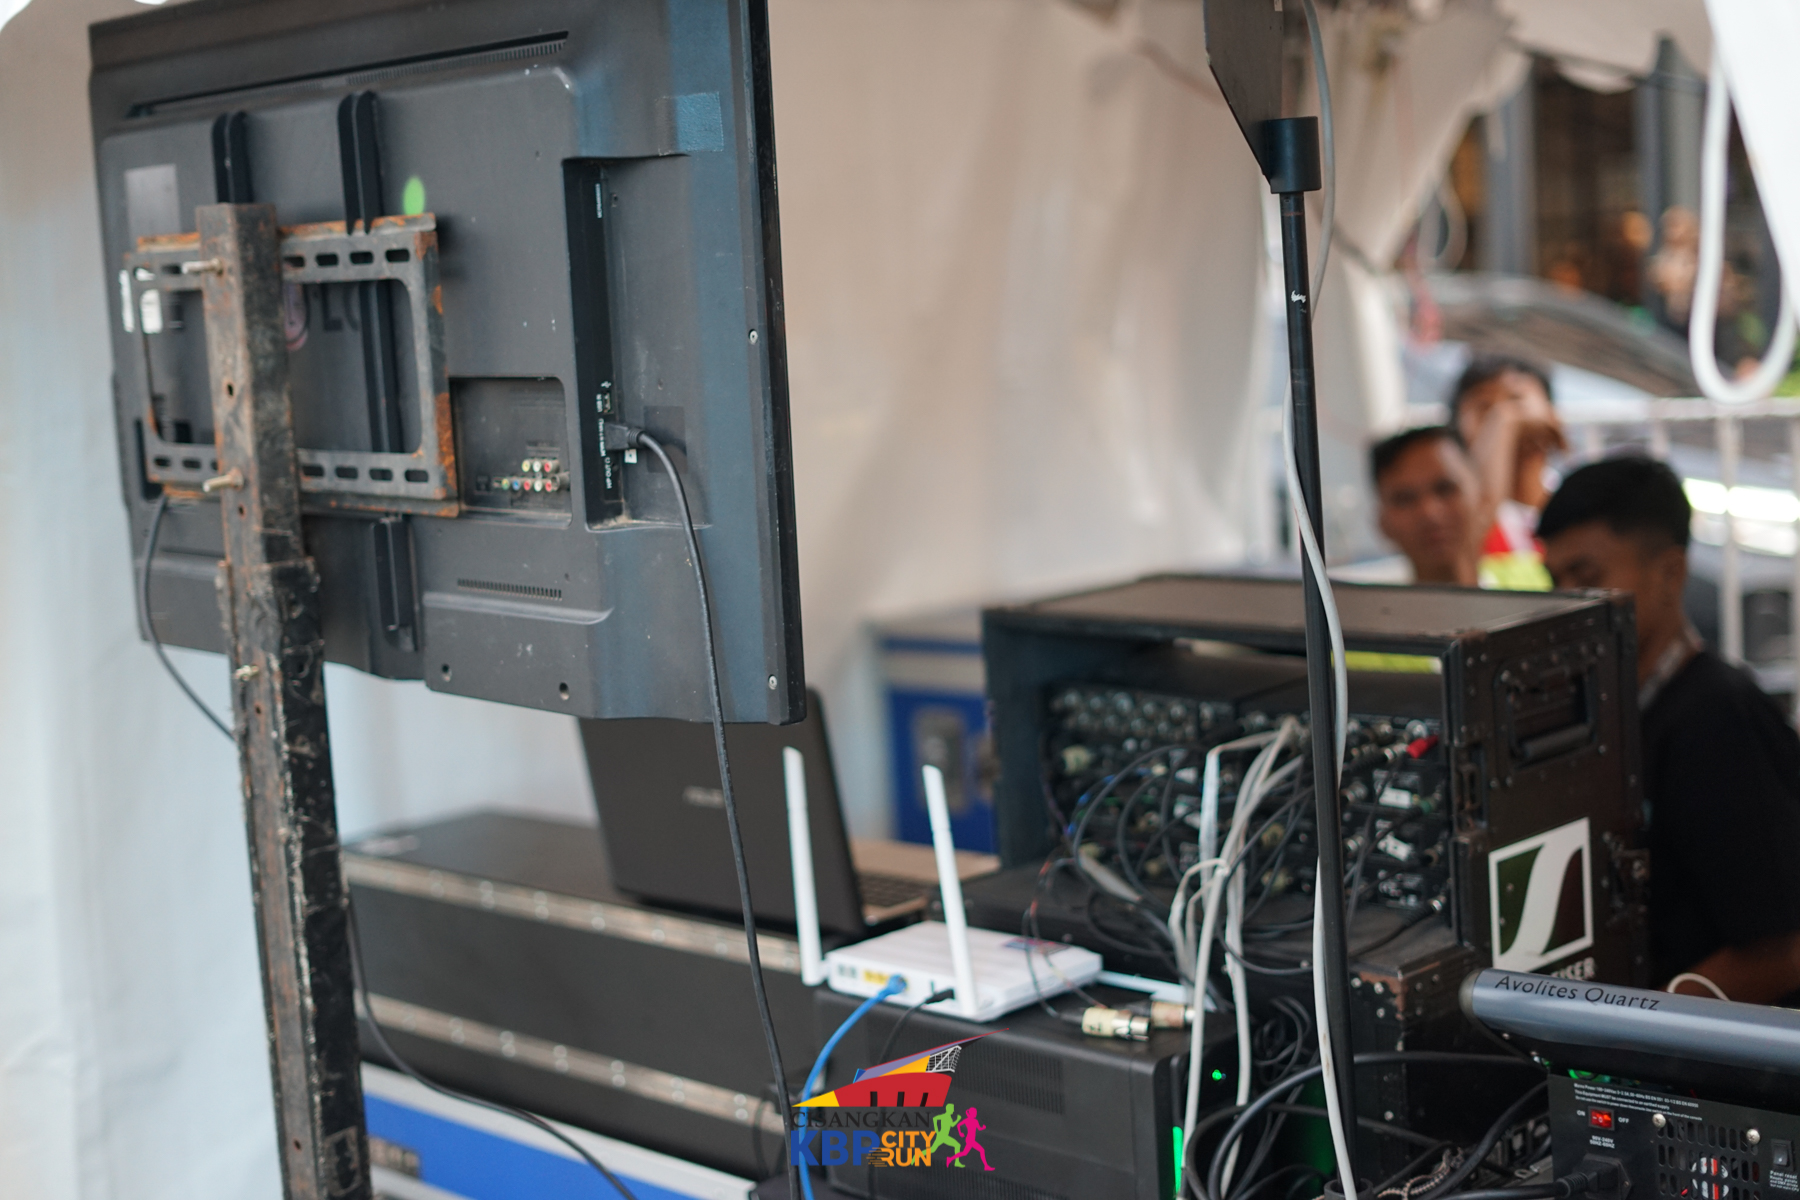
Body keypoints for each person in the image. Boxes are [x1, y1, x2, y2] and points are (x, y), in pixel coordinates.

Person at [1538, 456, 1800, 1003]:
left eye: (1587, 577)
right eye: (1556, 580)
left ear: (1669, 573)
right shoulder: (1610, 712)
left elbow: (1782, 949)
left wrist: (1637, 1026)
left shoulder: (1718, 720)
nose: (1566, 601)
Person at [1450, 355, 1566, 590]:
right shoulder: (1459, 516)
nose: (1502, 416)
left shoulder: (1573, 502)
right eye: (1484, 408)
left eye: (1516, 399)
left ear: (1552, 416)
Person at [1369, 425, 1484, 586]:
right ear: (1382, 522)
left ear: (1482, 497)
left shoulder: (1520, 585)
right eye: (1405, 499)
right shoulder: (1355, 602)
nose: (1429, 512)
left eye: (1445, 488)